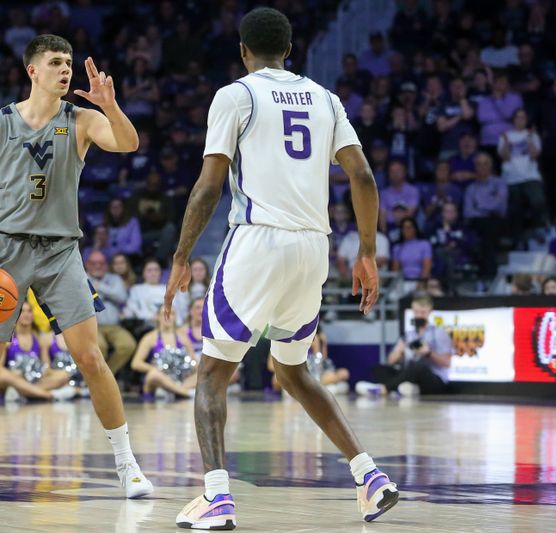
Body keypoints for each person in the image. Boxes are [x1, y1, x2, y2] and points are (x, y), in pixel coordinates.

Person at [163, 9, 398, 528]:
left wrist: (181, 256)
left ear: (244, 51)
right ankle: (369, 476)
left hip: (258, 241)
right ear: (289, 51)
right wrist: (366, 251)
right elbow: (362, 177)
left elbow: (207, 187)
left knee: (211, 373)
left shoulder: (236, 95)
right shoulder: (326, 98)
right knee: (292, 370)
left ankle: (217, 497)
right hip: (314, 246)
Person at [0, 35, 153, 501]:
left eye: (69, 63)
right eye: (55, 62)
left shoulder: (82, 120)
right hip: (4, 252)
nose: (66, 69)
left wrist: (111, 106)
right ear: (32, 70)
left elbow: (128, 143)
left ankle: (127, 465)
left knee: (91, 358)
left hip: (59, 251)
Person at [356, 295, 451, 397]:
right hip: (410, 374)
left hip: (434, 379)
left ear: (430, 312)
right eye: (416, 312)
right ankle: (407, 388)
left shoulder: (439, 333)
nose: (419, 315)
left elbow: (447, 363)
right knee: (379, 369)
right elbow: (390, 361)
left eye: (423, 312)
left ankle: (384, 389)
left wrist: (428, 353)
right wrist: (399, 351)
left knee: (417, 367)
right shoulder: (408, 335)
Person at [0, 303, 76, 402]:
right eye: (22, 311)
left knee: (63, 375)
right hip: (14, 380)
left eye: (29, 311)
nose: (26, 314)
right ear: (15, 315)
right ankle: (48, 395)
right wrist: (13, 375)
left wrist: (53, 373)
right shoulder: (7, 339)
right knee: (3, 377)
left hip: (34, 380)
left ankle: (22, 393)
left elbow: (46, 367)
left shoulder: (40, 339)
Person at [498, 108, 546, 248]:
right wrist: (506, 142)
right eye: (517, 117)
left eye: (523, 117)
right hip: (511, 178)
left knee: (538, 201)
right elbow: (504, 157)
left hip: (530, 176)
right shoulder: (505, 135)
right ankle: (518, 238)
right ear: (513, 120)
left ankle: (538, 228)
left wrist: (530, 138)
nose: (520, 120)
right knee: (515, 209)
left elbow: (534, 155)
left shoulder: (532, 135)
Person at [85, 250, 136, 376]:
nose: (98, 266)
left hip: (114, 326)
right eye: (94, 263)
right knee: (100, 347)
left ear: (106, 265)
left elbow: (122, 296)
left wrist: (99, 287)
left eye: (101, 263)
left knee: (128, 344)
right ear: (87, 265)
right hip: (92, 326)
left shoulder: (114, 278)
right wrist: (108, 292)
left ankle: (106, 376)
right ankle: (99, 379)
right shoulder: (82, 279)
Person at [131, 308, 197, 399]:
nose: (168, 316)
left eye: (172, 313)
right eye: (164, 313)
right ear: (157, 317)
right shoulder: (150, 337)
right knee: (153, 375)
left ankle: (176, 390)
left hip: (181, 380)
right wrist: (156, 369)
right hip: (159, 380)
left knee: (202, 374)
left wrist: (191, 370)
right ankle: (185, 393)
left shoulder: (183, 337)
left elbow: (194, 362)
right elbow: (136, 363)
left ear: (175, 317)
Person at [268, 326, 349, 395]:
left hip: (312, 371)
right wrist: (285, 367)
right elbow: (271, 366)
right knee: (276, 380)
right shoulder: (280, 337)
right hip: (291, 371)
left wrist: (321, 344)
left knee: (343, 373)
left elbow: (320, 360)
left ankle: (302, 388)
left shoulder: (315, 338)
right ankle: (319, 388)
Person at [463, 152, 508, 277]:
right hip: (478, 223)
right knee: (484, 231)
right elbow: (468, 212)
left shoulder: (499, 184)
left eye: (485, 164)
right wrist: (488, 207)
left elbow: (500, 206)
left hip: (498, 221)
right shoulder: (471, 188)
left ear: (491, 166)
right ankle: (489, 273)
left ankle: (486, 274)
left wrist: (480, 207)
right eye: (479, 164)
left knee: (489, 229)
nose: (482, 167)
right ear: (475, 167)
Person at [391, 218, 433, 283]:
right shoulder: (397, 247)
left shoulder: (425, 244)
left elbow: (426, 269)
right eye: (404, 228)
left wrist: (421, 283)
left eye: (409, 227)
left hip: (420, 281)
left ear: (415, 229)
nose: (406, 230)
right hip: (402, 282)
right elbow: (395, 271)